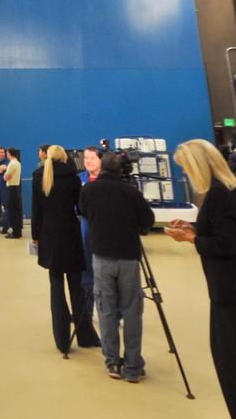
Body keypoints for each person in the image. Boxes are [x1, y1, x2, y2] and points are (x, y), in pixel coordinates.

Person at [166, 139, 236, 419]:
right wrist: (193, 228)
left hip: (230, 289)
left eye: (188, 168)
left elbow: (226, 244)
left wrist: (191, 238)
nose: (187, 175)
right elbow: (222, 231)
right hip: (235, 287)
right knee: (232, 358)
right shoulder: (230, 191)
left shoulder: (218, 195)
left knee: (232, 363)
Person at [81, 151, 155, 382]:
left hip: (101, 257)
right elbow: (147, 220)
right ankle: (133, 366)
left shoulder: (88, 190)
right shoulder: (131, 192)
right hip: (128, 258)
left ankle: (112, 362)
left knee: (106, 309)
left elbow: (83, 212)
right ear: (121, 169)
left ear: (102, 167)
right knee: (132, 311)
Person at [31, 145, 100, 358]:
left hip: (49, 236)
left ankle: (62, 340)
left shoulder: (39, 177)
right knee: (76, 286)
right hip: (71, 234)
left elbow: (36, 210)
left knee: (56, 287)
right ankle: (86, 335)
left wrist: (36, 236)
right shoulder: (72, 178)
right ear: (64, 158)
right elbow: (80, 208)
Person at [77, 146, 103, 339]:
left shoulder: (109, 179)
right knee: (87, 273)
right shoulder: (80, 180)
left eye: (92, 158)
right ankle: (87, 313)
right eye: (86, 158)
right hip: (85, 231)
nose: (88, 161)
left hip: (105, 233)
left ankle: (114, 313)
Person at [3, 147, 23, 239]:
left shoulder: (12, 163)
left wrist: (4, 172)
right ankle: (18, 231)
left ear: (9, 153)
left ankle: (15, 232)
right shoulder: (18, 163)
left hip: (11, 188)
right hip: (16, 187)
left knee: (12, 211)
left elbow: (6, 177)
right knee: (16, 211)